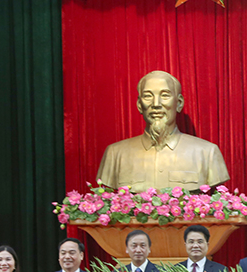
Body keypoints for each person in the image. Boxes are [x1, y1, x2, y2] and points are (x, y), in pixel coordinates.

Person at [96, 70, 230, 192]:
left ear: (179, 103)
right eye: (148, 96)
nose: (156, 104)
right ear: (139, 105)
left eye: (165, 95)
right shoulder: (115, 154)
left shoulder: (207, 153)